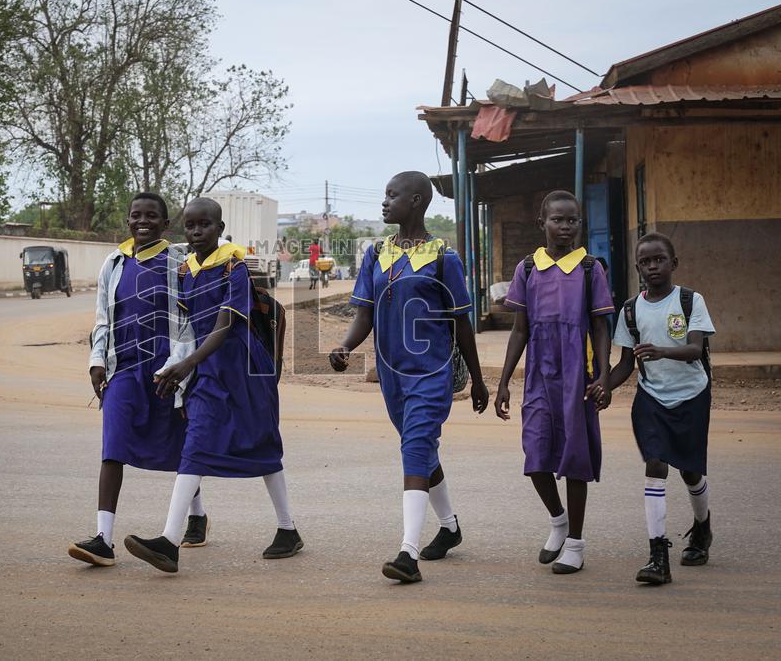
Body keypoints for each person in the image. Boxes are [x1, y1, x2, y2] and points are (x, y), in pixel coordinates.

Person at [123, 197, 303, 573]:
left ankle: (288, 529)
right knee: (196, 441)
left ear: (220, 230)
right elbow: (187, 327)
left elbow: (224, 325)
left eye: (205, 225)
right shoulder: (186, 270)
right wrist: (177, 366)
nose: (196, 232)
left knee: (263, 442)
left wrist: (188, 363)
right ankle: (170, 541)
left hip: (244, 367)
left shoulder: (234, 267)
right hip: (207, 370)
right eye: (190, 225)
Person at [329, 171, 489, 584]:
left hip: (430, 373)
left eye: (392, 195)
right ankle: (450, 527)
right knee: (420, 449)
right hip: (391, 375)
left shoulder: (443, 258)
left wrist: (478, 377)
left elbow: (462, 323)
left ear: (416, 201)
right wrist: (346, 346)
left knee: (415, 447)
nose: (384, 202)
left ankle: (408, 553)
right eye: (384, 194)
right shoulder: (375, 254)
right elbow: (364, 314)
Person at [68, 192, 209, 567]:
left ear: (165, 224)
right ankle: (103, 538)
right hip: (124, 368)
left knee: (182, 443)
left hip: (168, 367)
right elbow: (102, 319)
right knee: (113, 444)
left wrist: (182, 367)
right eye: (135, 216)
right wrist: (96, 360)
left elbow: (192, 321)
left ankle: (196, 515)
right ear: (127, 221)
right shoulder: (113, 264)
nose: (142, 221)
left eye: (151, 216)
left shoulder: (181, 262)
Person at [494, 189, 614, 575]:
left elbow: (600, 324)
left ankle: (576, 544)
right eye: (558, 219)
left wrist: (606, 377)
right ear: (541, 223)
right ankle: (558, 521)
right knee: (536, 456)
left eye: (573, 220)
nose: (566, 226)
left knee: (575, 457)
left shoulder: (590, 268)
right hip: (539, 375)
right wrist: (504, 381)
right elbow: (519, 329)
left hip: (579, 373)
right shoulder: (528, 268)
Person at [609, 232, 715, 585]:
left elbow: (695, 349)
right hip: (651, 396)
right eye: (645, 261)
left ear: (674, 263)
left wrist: (661, 351)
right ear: (637, 267)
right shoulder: (629, 309)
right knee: (655, 465)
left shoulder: (689, 300)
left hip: (692, 394)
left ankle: (702, 527)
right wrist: (600, 387)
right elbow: (626, 364)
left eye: (659, 259)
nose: (652, 266)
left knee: (689, 471)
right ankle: (658, 556)